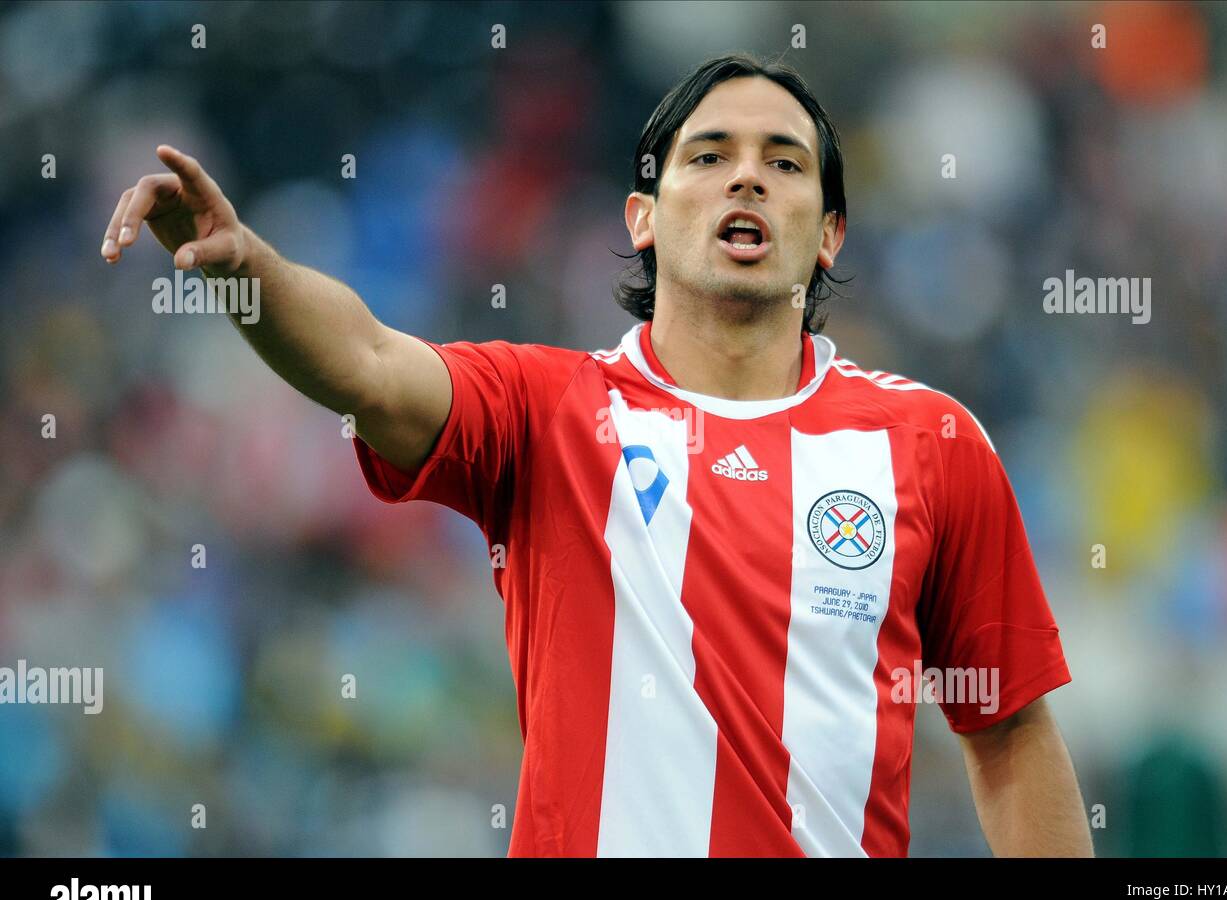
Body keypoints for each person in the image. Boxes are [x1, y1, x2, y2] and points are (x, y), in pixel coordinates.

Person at [100, 52, 1092, 858]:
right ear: (642, 218)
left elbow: (1005, 730)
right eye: (708, 155)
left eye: (784, 162)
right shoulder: (546, 411)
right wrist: (252, 277)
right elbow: (364, 363)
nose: (747, 174)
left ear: (828, 234)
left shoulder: (932, 444)